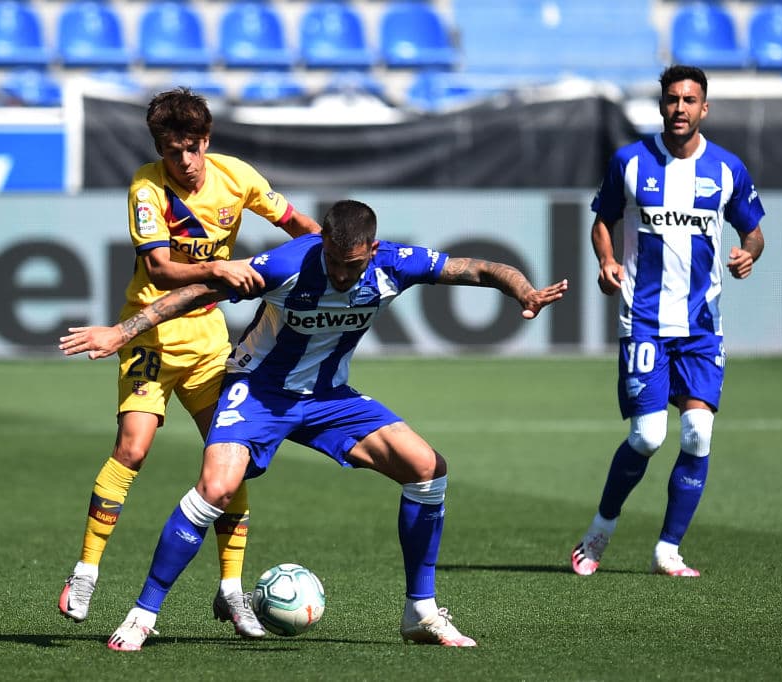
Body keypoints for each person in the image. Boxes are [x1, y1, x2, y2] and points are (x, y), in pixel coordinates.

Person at [59, 199, 569, 651]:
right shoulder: (287, 264)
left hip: (328, 397)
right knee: (215, 487)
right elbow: (198, 291)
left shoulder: (395, 264)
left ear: (371, 249)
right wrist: (121, 331)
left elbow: (477, 269)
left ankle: (421, 611)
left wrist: (522, 290)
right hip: (258, 390)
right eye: (333, 261)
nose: (341, 275)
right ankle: (144, 613)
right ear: (321, 241)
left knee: (427, 468)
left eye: (352, 265)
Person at [58, 87, 321, 637]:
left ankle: (231, 590)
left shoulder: (237, 176)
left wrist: (331, 259)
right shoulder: (146, 186)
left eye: (192, 147)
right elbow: (157, 268)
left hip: (208, 344)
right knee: (132, 448)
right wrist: (223, 270)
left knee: (230, 456)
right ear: (159, 146)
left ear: (207, 141)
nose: (184, 161)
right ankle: (86, 570)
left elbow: (302, 227)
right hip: (151, 337)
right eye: (172, 150)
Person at [569, 65, 766, 578]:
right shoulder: (629, 162)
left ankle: (668, 550)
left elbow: (754, 231)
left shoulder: (726, 169)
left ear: (705, 108)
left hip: (701, 325)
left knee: (698, 433)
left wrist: (748, 253)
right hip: (646, 321)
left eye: (690, 100)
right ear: (661, 106)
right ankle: (599, 531)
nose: (680, 108)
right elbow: (602, 223)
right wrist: (607, 262)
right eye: (672, 99)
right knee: (649, 437)